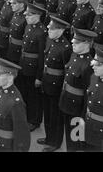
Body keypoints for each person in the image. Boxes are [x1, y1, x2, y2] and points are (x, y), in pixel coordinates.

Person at [59, 28, 97, 151]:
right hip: (67, 100)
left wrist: (84, 114)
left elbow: (88, 93)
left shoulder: (89, 65)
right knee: (69, 132)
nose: (72, 44)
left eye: (76, 43)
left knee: (77, 137)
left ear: (86, 44)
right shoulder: (74, 54)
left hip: (78, 106)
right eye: (73, 42)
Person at [37, 16, 72, 152]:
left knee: (56, 116)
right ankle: (48, 137)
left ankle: (55, 142)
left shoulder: (66, 48)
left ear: (61, 30)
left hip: (57, 86)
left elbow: (66, 72)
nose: (48, 29)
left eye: (51, 28)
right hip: (47, 82)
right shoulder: (50, 41)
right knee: (48, 113)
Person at [16, 3, 47, 132]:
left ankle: (34, 120)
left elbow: (42, 57)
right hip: (24, 66)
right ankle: (27, 117)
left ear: (37, 16)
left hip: (34, 69)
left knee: (34, 97)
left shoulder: (42, 32)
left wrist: (39, 77)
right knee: (25, 93)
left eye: (29, 14)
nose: (26, 16)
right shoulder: (29, 26)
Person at [0, 57, 31, 152]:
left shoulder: (16, 103)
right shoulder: (3, 91)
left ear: (9, 77)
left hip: (7, 147)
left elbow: (22, 135)